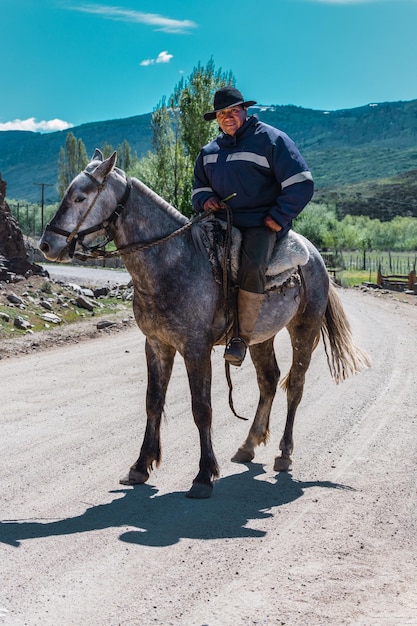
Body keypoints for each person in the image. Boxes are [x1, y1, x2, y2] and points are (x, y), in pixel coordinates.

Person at [192, 86, 314, 366]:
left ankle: (240, 338)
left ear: (245, 111)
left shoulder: (272, 140)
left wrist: (278, 216)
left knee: (252, 264)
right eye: (222, 113)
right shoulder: (209, 151)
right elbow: (198, 188)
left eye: (233, 111)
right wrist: (207, 200)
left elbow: (302, 183)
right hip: (221, 221)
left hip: (262, 222)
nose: (228, 117)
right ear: (217, 118)